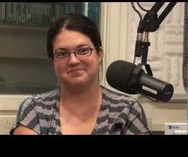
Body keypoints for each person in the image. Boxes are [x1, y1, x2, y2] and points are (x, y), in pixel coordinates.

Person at [10, 13, 151, 135]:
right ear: (53, 61)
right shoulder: (36, 109)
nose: (73, 60)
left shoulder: (127, 110)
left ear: (99, 54)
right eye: (62, 54)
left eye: (83, 50)